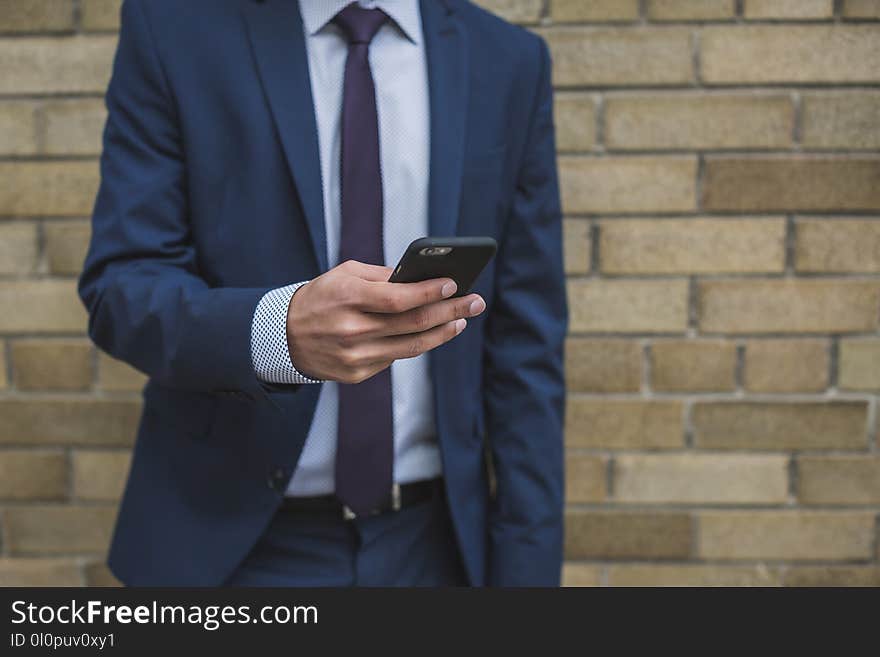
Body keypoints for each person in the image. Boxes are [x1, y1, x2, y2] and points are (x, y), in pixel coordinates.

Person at [79, 0, 566, 587]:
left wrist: (527, 574)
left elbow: (526, 348)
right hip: (236, 550)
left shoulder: (508, 59)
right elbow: (123, 286)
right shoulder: (175, 32)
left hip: (435, 549)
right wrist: (275, 334)